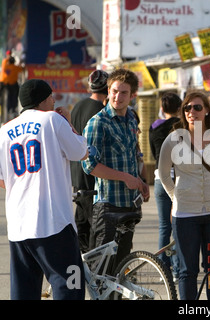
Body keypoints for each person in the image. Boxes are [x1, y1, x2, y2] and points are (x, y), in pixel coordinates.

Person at [0, 79, 88, 300]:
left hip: (19, 224)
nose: (54, 100)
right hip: (53, 220)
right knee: (70, 285)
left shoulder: (5, 130)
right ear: (42, 100)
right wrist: (69, 123)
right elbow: (81, 152)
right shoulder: (53, 120)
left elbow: (2, 179)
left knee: (24, 291)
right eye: (51, 96)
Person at [158, 91, 210, 300]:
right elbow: (164, 174)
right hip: (185, 212)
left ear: (207, 110)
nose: (192, 112)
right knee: (187, 270)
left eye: (197, 107)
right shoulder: (174, 139)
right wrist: (176, 197)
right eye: (187, 108)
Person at [82, 68, 150, 271]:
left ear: (132, 95)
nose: (117, 97)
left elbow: (133, 153)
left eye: (123, 93)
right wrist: (125, 178)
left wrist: (140, 180)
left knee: (122, 269)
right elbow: (89, 165)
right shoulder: (98, 123)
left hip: (130, 204)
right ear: (108, 90)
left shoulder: (131, 118)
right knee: (102, 272)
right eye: (114, 91)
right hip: (108, 206)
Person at [70, 69, 109, 253]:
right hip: (93, 178)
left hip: (77, 177)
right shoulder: (102, 111)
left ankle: (82, 271)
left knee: (82, 228)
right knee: (97, 230)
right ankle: (96, 273)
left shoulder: (78, 106)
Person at [149, 92, 181, 280]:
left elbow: (154, 153)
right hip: (178, 179)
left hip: (160, 179)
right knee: (177, 225)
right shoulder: (181, 126)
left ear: (162, 108)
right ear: (179, 108)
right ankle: (177, 270)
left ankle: (163, 269)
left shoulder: (154, 127)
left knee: (163, 227)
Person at [0, 50, 24, 119]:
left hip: (3, 83)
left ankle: (7, 107)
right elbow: (22, 68)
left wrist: (9, 56)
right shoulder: (15, 67)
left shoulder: (4, 65)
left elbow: (5, 60)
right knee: (14, 95)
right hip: (12, 84)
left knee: (3, 97)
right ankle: (13, 108)